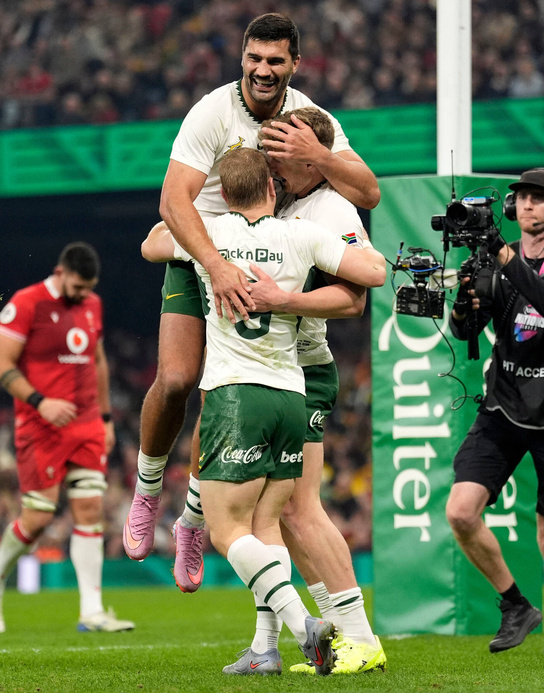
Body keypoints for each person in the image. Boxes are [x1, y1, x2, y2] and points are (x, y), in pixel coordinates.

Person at [124, 12, 380, 595]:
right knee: (176, 379)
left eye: (275, 61)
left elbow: (368, 192)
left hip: (267, 259)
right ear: (242, 57)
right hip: (203, 251)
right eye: (254, 59)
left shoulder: (308, 119)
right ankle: (146, 489)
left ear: (295, 64)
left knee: (225, 392)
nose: (262, 71)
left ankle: (192, 521)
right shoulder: (212, 113)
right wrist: (214, 265)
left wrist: (320, 154)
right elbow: (172, 200)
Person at [141, 147, 386, 675]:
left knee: (229, 532)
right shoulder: (300, 234)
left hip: (235, 394)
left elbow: (152, 244)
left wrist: (199, 232)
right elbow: (373, 271)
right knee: (267, 522)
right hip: (291, 395)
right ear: (273, 190)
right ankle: (265, 649)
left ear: (224, 195)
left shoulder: (211, 238)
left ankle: (308, 627)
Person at [221, 106, 385, 675]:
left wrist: (285, 301)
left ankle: (359, 637)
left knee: (299, 507)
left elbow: (357, 295)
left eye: (286, 152)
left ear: (315, 158)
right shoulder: (283, 203)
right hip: (276, 371)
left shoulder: (333, 206)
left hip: (306, 368)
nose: (275, 162)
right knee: (275, 514)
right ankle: (282, 644)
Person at [445, 168, 544, 655]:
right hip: (503, 409)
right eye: (522, 198)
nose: (529, 205)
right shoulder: (493, 264)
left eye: (539, 198)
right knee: (460, 512)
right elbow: (471, 329)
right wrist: (463, 308)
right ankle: (515, 605)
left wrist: (505, 257)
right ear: (511, 209)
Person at [0, 242, 133, 634]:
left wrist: (105, 419)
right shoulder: (27, 303)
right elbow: (0, 364)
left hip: (84, 425)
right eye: (78, 287)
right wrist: (40, 401)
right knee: (37, 517)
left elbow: (97, 361)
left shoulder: (92, 305)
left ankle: (92, 612)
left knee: (90, 512)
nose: (84, 295)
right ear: (60, 272)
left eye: (89, 288)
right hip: (40, 425)